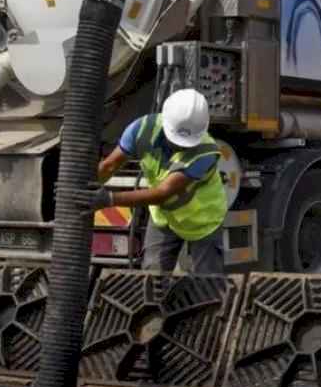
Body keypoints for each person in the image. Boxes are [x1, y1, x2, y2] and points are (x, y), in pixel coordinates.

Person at [66, 89, 228, 274]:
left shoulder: (206, 153)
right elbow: (109, 166)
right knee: (152, 278)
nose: (180, 145)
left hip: (203, 221)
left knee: (207, 285)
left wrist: (109, 199)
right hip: (164, 218)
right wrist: (80, 189)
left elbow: (162, 193)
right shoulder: (141, 129)